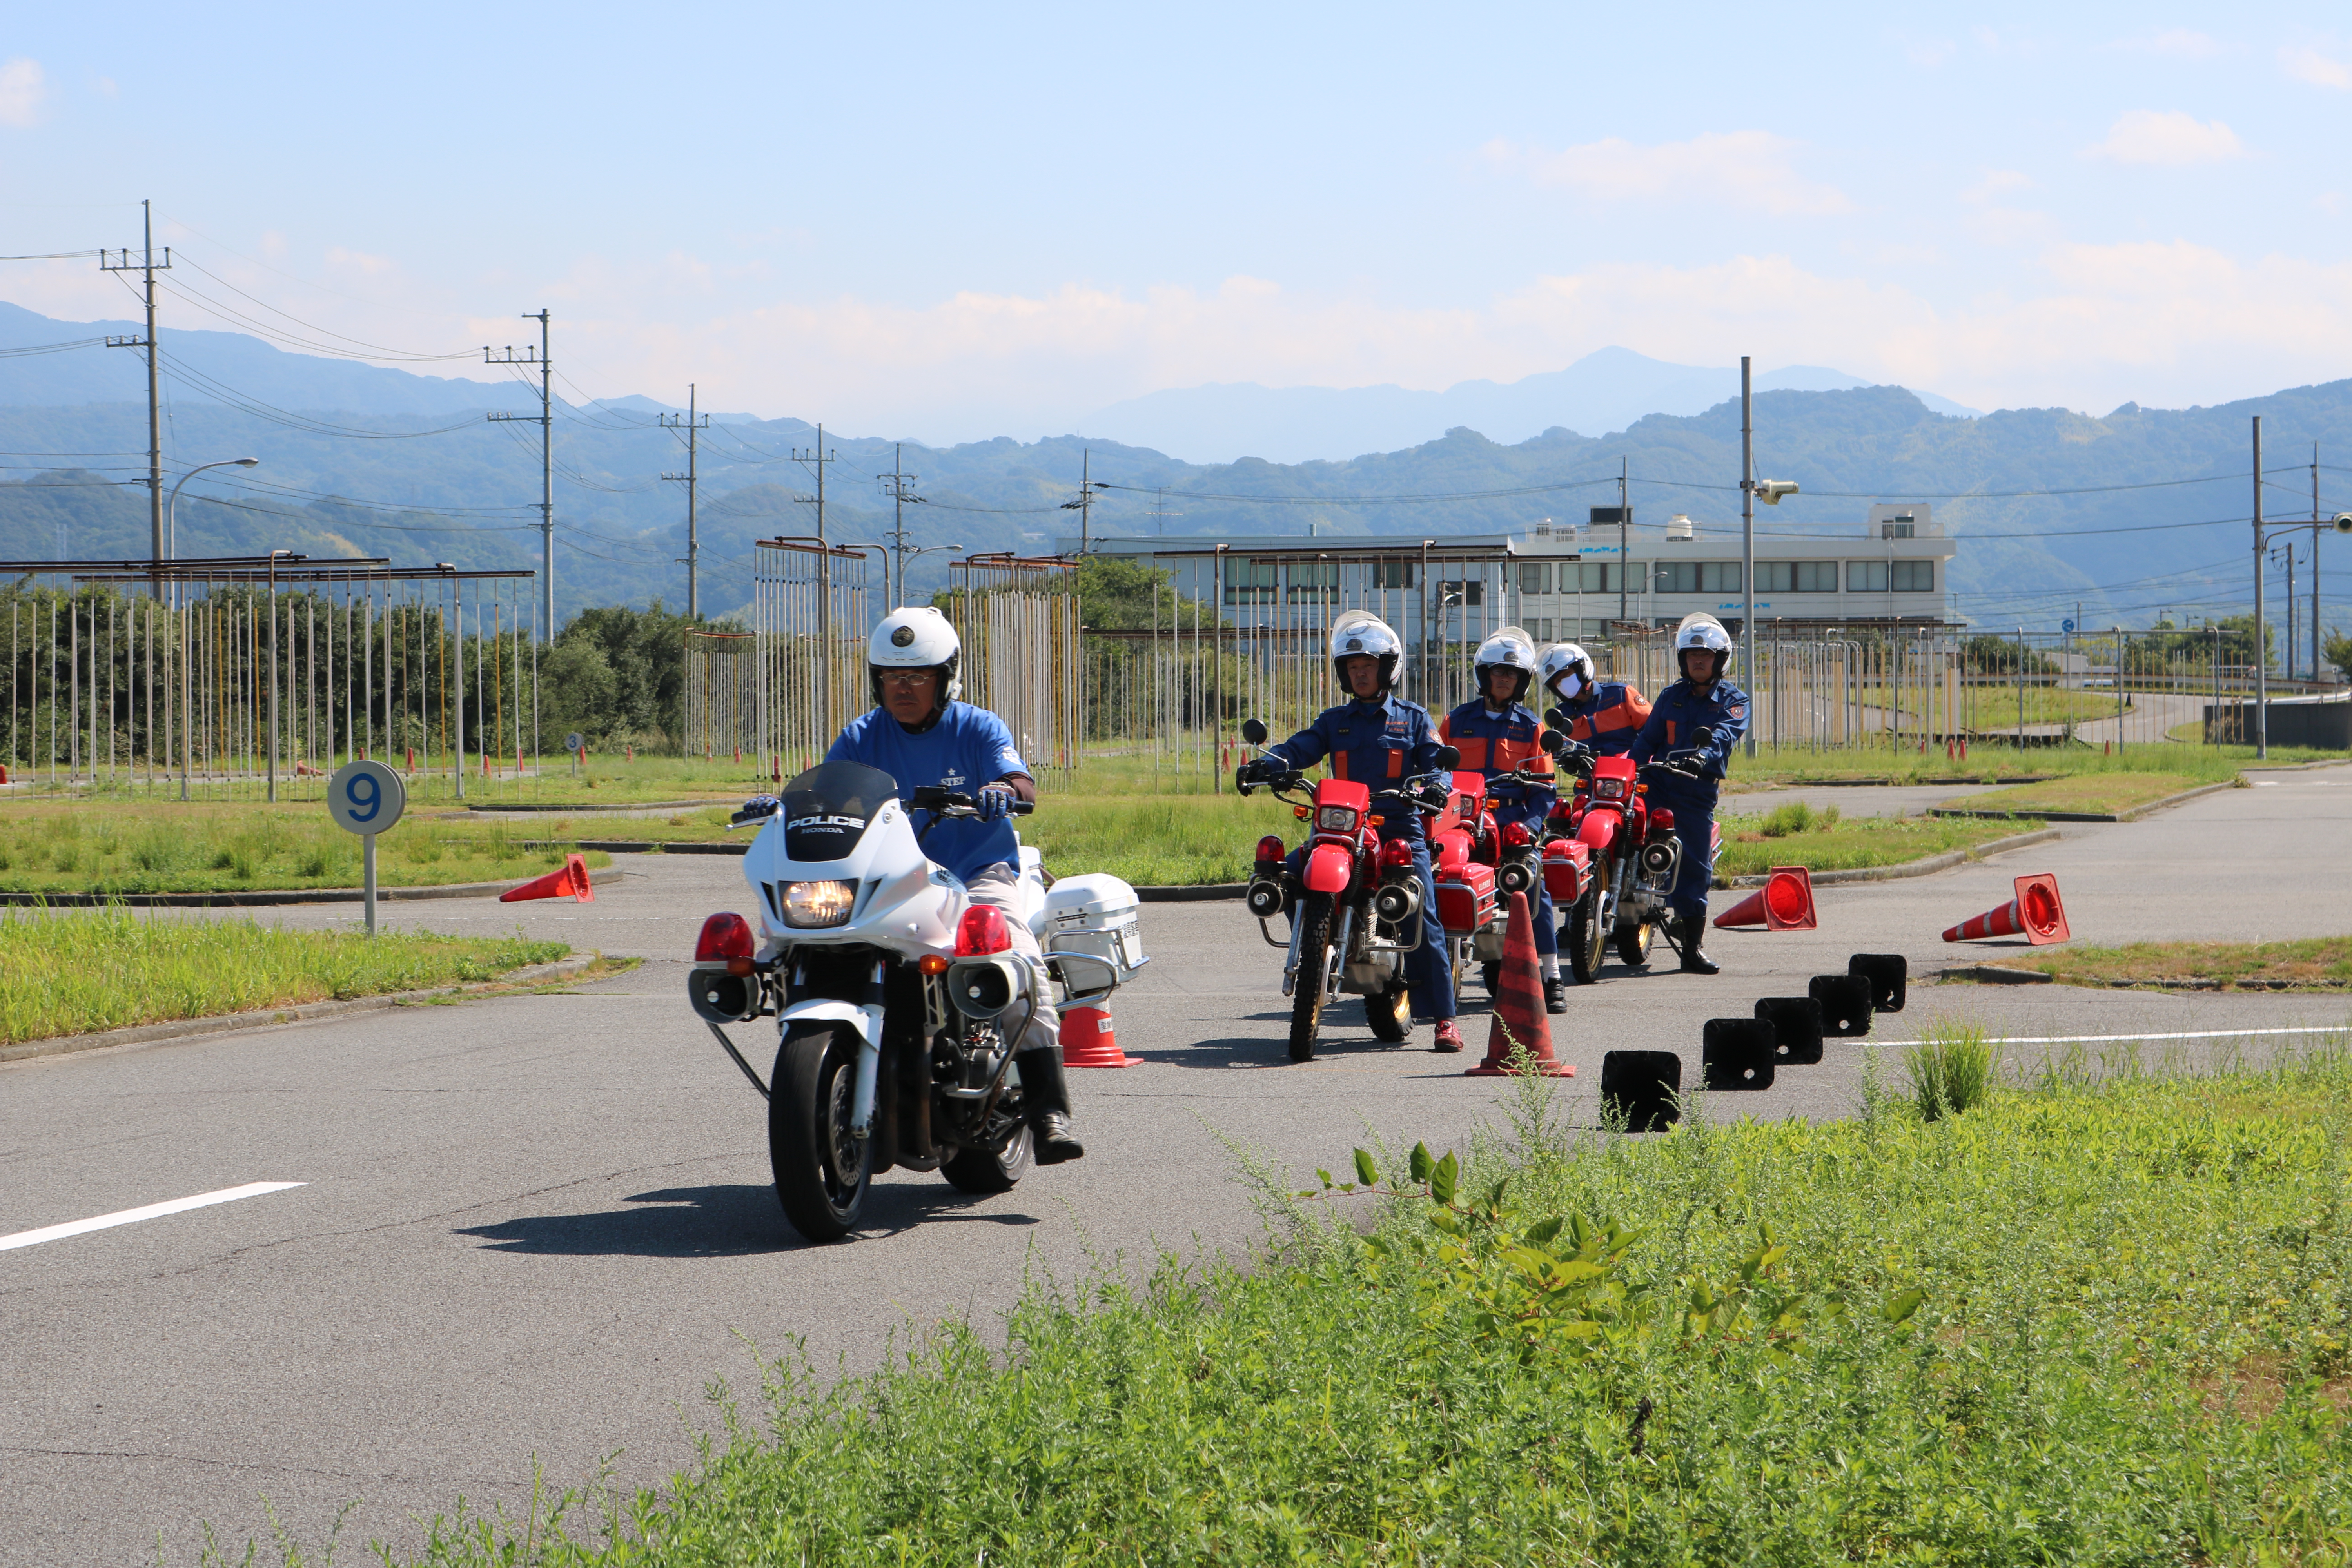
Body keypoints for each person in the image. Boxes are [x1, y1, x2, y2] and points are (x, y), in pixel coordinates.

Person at [821, 606, 1082, 1163]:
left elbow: (1021, 784)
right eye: (892, 676)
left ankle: (1049, 1112)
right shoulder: (862, 735)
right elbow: (828, 791)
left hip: (975, 877)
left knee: (1017, 960)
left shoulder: (979, 726)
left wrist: (1003, 792)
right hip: (892, 882)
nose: (903, 688)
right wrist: (785, 805)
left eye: (918, 676)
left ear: (947, 678)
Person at [1237, 611, 1464, 1052]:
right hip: (1342, 827)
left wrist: (1437, 785)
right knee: (1288, 873)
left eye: (1368, 667)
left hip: (1398, 824)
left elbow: (1437, 764)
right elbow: (1298, 748)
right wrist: (1270, 764)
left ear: (1387, 669)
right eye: (1353, 668)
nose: (1360, 675)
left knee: (1423, 911)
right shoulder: (1333, 720)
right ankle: (1318, 938)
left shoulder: (1413, 719)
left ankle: (1444, 1018)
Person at [1439, 627, 1566, 1014]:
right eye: (1498, 672)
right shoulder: (1455, 722)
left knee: (1533, 883)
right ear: (1484, 676)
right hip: (1461, 820)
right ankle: (1426, 973)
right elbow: (1434, 774)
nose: (1505, 679)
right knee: (1431, 880)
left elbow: (1545, 791)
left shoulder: (1532, 728)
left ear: (1522, 681)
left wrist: (1527, 827)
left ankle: (1552, 975)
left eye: (1512, 674)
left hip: (1510, 823)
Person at [1627, 614, 1750, 976]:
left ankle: (1692, 947)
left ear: (1720, 659)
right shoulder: (1669, 697)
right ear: (1683, 659)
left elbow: (1725, 736)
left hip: (1695, 791)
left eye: (1706, 655)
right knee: (1623, 832)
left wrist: (1703, 756)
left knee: (1694, 865)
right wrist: (1627, 771)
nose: (1699, 661)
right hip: (1658, 785)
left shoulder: (1734, 700)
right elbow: (1647, 741)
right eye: (1692, 654)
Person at [1538, 641, 1651, 756]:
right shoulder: (1563, 713)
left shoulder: (1621, 694)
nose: (1563, 682)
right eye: (1558, 681)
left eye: (1567, 674)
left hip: (1632, 768)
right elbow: (1562, 746)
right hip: (1590, 772)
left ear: (1582, 669)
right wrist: (1565, 754)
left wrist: (1639, 756)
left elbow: (1653, 730)